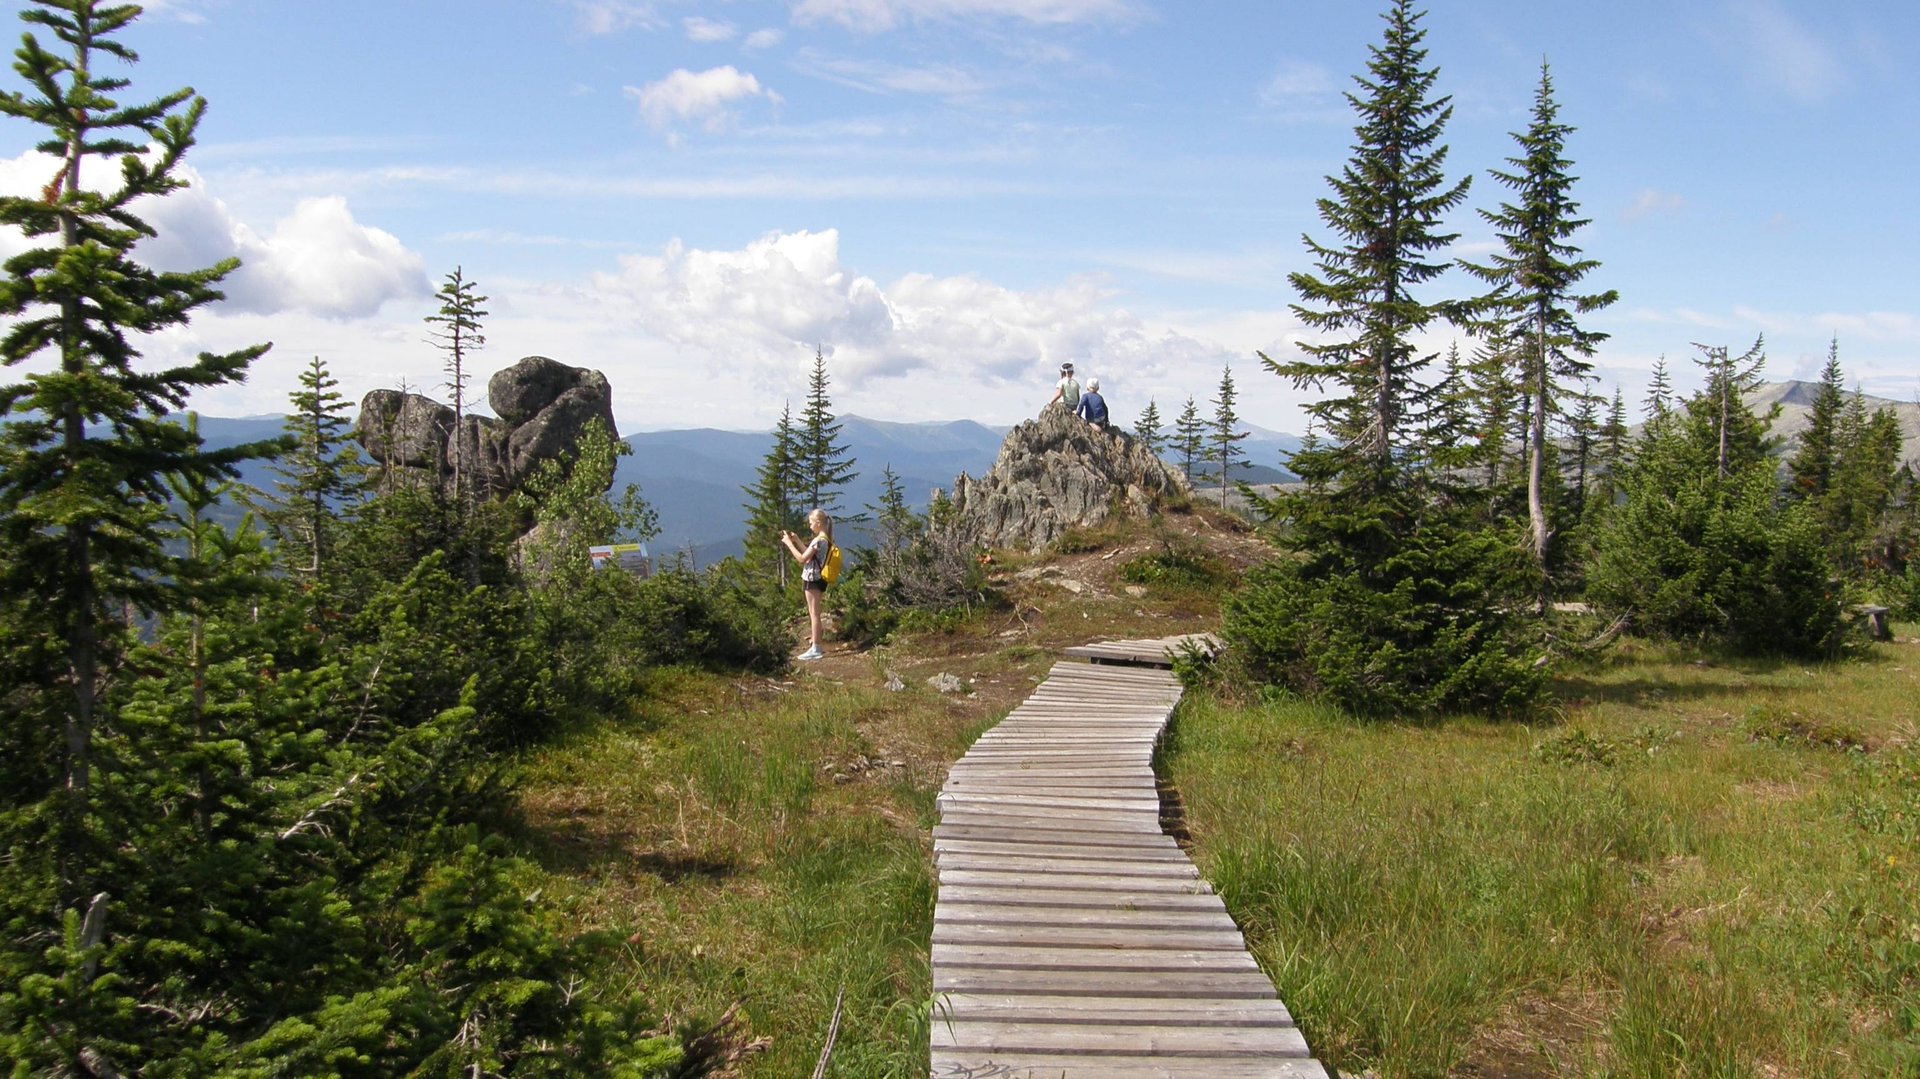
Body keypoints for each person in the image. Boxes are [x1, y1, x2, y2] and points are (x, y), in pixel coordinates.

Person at [780, 509, 833, 661]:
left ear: (818, 523)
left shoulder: (818, 540)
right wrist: (797, 540)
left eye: (811, 523)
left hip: (812, 579)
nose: (810, 526)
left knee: (814, 613)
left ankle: (816, 648)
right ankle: (815, 645)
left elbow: (802, 559)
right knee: (814, 612)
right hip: (819, 578)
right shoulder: (825, 539)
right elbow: (809, 555)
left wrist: (789, 544)